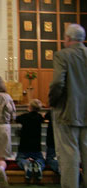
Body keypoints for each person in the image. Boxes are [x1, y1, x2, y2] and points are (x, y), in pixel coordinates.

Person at [49, 24, 87, 188]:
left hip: (67, 112)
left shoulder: (63, 56)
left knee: (69, 155)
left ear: (68, 39)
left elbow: (58, 82)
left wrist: (53, 102)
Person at [16, 99, 45, 181]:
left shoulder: (24, 117)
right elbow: (43, 118)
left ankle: (26, 164)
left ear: (30, 107)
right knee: (41, 160)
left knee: (19, 159)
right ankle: (38, 164)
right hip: (36, 147)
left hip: (24, 147)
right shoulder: (39, 117)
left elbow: (17, 118)